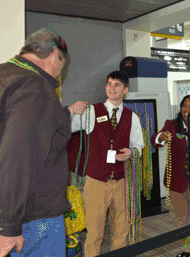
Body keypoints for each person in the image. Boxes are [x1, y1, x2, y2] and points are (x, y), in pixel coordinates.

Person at [0, 28, 84, 256]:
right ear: (55, 55)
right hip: (31, 217)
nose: (58, 74)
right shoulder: (36, 87)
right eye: (61, 67)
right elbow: (17, 156)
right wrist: (8, 225)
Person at [69, 70, 144, 257]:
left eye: (117, 85)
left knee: (121, 229)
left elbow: (138, 145)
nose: (112, 88)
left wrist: (131, 152)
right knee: (94, 231)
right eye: (109, 84)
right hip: (96, 181)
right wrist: (71, 112)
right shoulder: (92, 111)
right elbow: (68, 127)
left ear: (125, 89)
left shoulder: (131, 116)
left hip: (122, 181)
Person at [150, 95, 190, 257]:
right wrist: (162, 137)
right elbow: (155, 139)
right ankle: (187, 249)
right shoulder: (172, 125)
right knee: (182, 217)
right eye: (184, 106)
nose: (186, 109)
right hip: (177, 179)